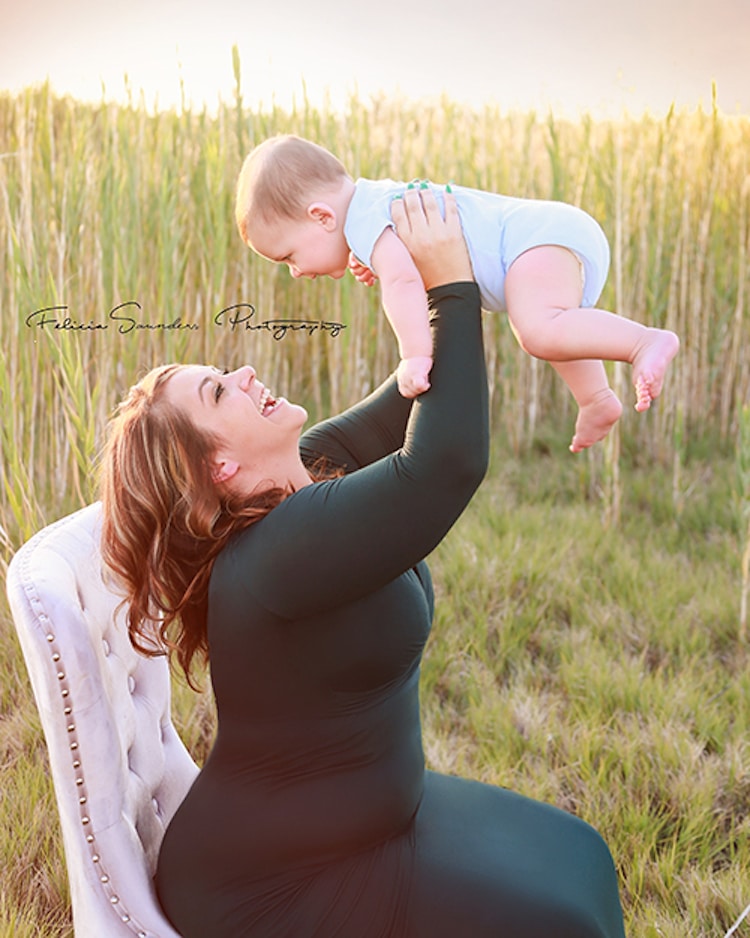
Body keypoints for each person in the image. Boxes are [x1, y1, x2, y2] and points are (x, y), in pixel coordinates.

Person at [100, 187, 627, 937]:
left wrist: (446, 266)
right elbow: (444, 464)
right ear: (216, 468)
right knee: (564, 923)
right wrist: (446, 286)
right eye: (220, 390)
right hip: (272, 887)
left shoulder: (305, 471)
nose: (246, 374)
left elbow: (419, 394)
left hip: (366, 829)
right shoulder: (280, 551)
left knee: (581, 857)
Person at [235, 133, 679, 453]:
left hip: (531, 239)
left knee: (540, 330)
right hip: (544, 233)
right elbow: (403, 261)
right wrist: (369, 258)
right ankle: (596, 398)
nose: (295, 272)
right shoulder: (370, 211)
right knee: (556, 325)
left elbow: (404, 284)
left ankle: (645, 342)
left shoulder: (369, 222)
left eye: (289, 256)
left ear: (322, 217)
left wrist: (415, 357)